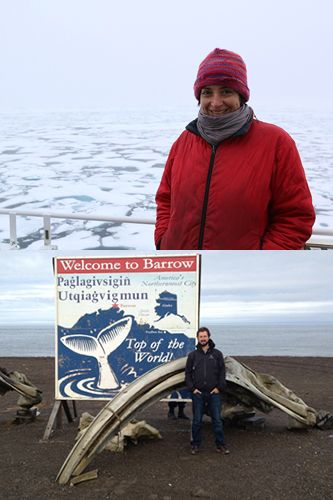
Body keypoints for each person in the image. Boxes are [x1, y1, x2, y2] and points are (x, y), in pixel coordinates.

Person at [155, 48, 316, 250]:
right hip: (184, 273)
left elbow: (295, 216)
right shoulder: (184, 141)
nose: (215, 102)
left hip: (243, 276)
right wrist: (164, 241)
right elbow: (165, 200)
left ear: (241, 96)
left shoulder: (276, 142)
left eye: (226, 91)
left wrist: (262, 264)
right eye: (207, 92)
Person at [185, 327, 229, 455]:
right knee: (197, 420)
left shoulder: (217, 354)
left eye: (205, 336)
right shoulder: (193, 355)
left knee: (217, 420)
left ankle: (220, 445)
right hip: (198, 393)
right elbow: (187, 374)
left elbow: (222, 372)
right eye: (201, 337)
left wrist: (219, 388)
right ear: (198, 338)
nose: (203, 339)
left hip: (213, 393)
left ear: (208, 337)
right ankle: (195, 445)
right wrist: (192, 389)